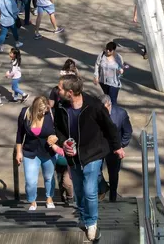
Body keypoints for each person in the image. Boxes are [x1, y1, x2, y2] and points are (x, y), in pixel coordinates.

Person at [53, 75, 124, 242]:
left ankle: (91, 223)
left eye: (60, 88)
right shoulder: (61, 107)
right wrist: (64, 143)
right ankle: (85, 217)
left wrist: (117, 147)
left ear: (70, 92)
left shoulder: (94, 106)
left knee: (90, 191)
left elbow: (110, 127)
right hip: (73, 157)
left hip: (92, 154)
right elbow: (58, 129)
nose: (58, 91)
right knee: (78, 191)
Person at [16, 96, 61, 211]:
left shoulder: (51, 114)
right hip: (30, 152)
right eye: (41, 111)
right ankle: (32, 201)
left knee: (48, 177)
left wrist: (56, 139)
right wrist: (18, 152)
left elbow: (60, 131)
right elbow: (20, 134)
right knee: (30, 180)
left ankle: (49, 197)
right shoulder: (25, 113)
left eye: (45, 110)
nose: (43, 113)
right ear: (35, 109)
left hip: (48, 152)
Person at [100, 95, 132, 202]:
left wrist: (121, 145)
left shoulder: (121, 114)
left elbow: (127, 131)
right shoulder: (96, 112)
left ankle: (112, 197)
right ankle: (103, 187)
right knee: (95, 172)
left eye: (105, 108)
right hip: (99, 147)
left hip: (114, 148)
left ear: (110, 104)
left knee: (113, 173)